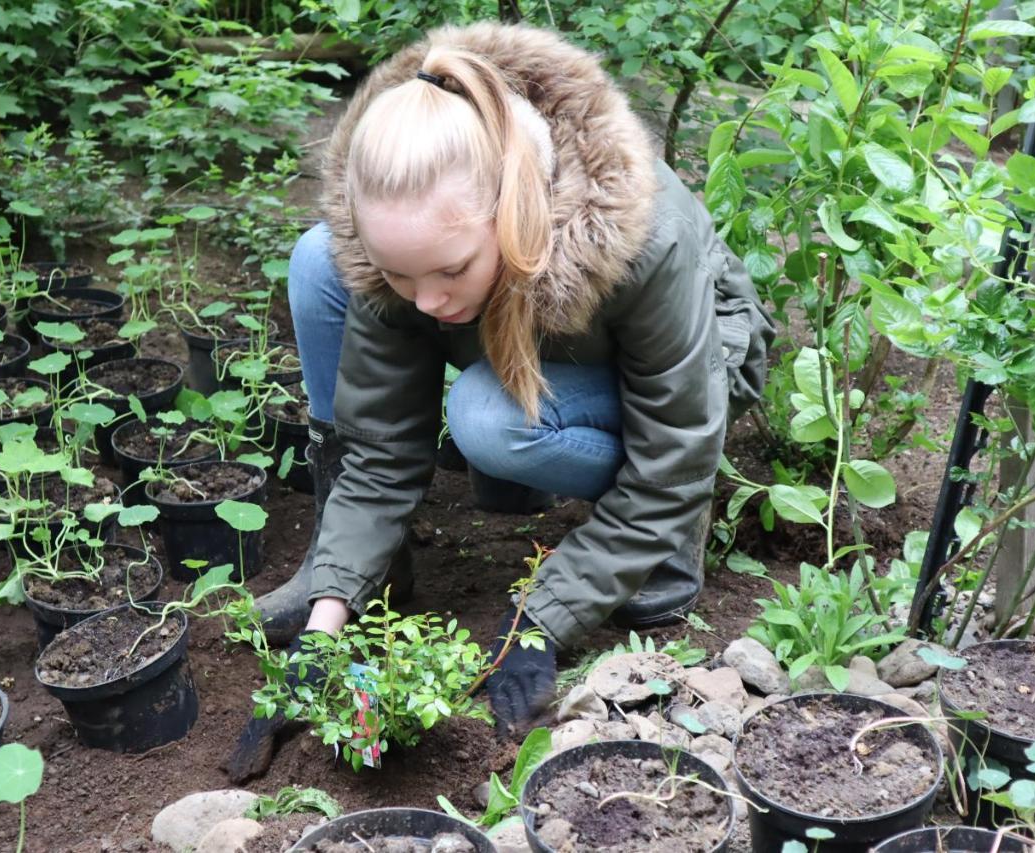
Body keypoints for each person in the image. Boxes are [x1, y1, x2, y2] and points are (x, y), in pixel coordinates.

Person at [226, 21, 773, 781]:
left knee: (487, 416)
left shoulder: (644, 237)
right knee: (320, 260)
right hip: (527, 328)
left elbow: (675, 451)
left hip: (679, 373)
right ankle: (364, 559)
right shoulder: (411, 263)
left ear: (511, 210)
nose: (425, 299)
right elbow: (380, 447)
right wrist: (326, 627)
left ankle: (660, 555)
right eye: (405, 275)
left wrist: (540, 623)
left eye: (449, 268)